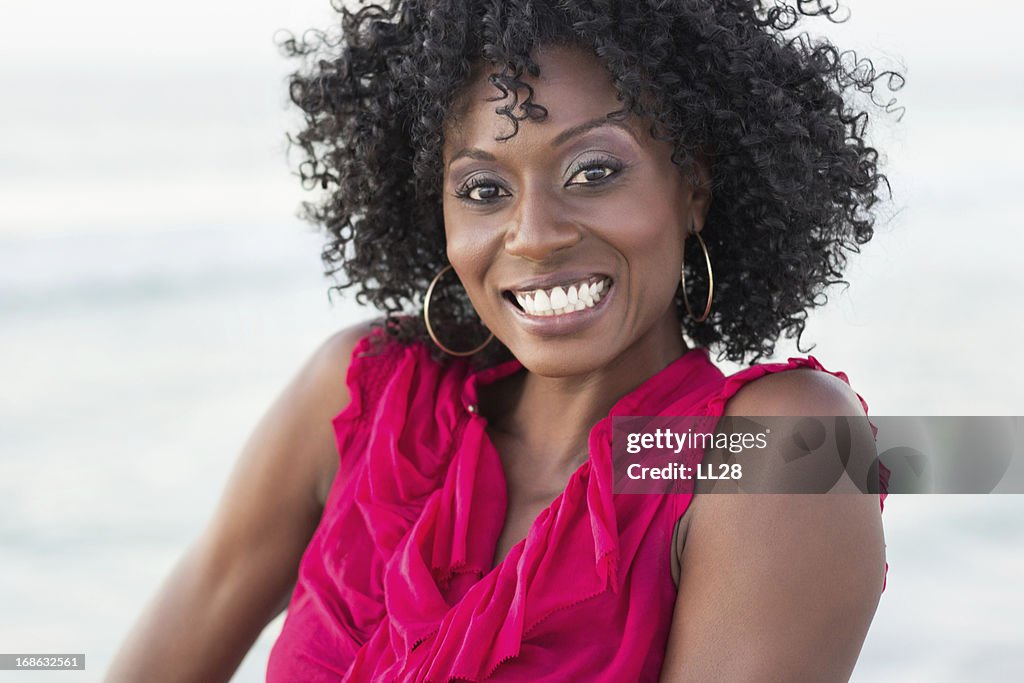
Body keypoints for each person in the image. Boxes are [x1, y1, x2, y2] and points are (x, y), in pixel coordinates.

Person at [106, 0, 900, 681]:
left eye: (594, 171)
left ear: (691, 185)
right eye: (484, 189)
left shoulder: (776, 448)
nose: (536, 235)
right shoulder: (363, 393)